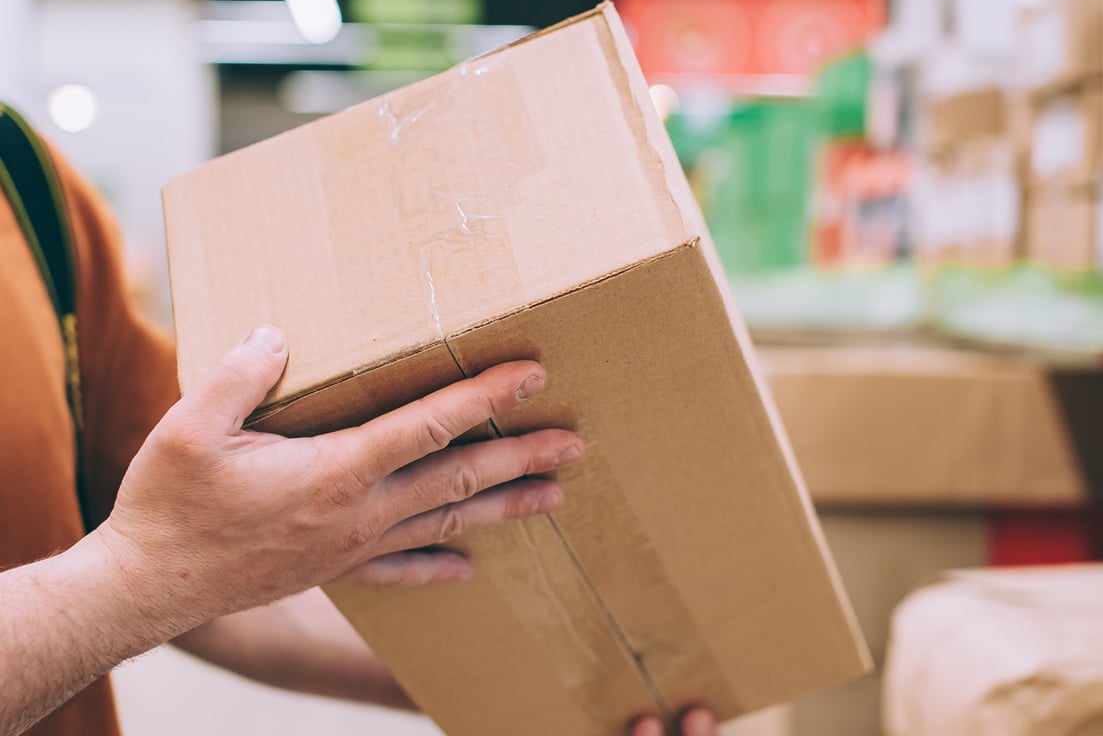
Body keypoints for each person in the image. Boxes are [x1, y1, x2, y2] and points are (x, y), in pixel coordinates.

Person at [0, 112, 717, 736]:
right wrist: (146, 576)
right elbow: (163, 566)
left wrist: (562, 700)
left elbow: (216, 564)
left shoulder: (25, 181)